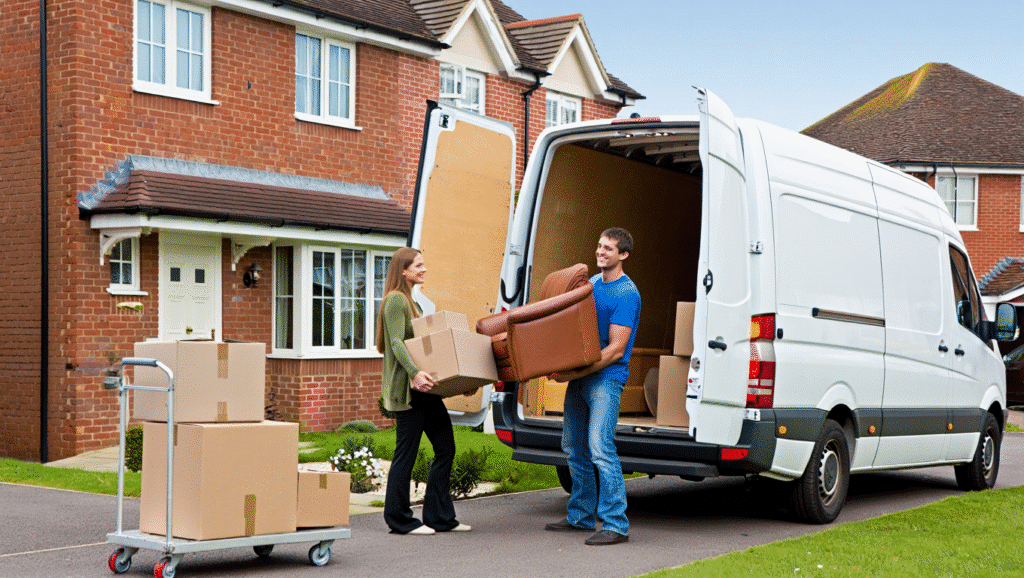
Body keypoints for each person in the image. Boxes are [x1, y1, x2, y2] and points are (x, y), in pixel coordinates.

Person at [544, 227, 640, 546]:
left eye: (608, 249)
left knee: (600, 448)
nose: (600, 252)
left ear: (623, 255)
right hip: (581, 377)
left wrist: (574, 373)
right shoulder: (593, 285)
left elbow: (614, 349)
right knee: (574, 447)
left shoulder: (627, 294)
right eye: (599, 246)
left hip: (606, 380)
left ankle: (616, 523)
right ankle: (581, 516)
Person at [376, 247, 470, 535]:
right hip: (409, 390)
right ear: (403, 270)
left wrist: (463, 381)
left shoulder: (411, 302)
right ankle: (399, 519)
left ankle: (439, 517)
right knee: (407, 452)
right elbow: (395, 343)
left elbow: (424, 352)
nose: (424, 268)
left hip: (424, 391)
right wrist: (415, 373)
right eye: (418, 265)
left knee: (445, 447)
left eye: (423, 264)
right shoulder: (395, 301)